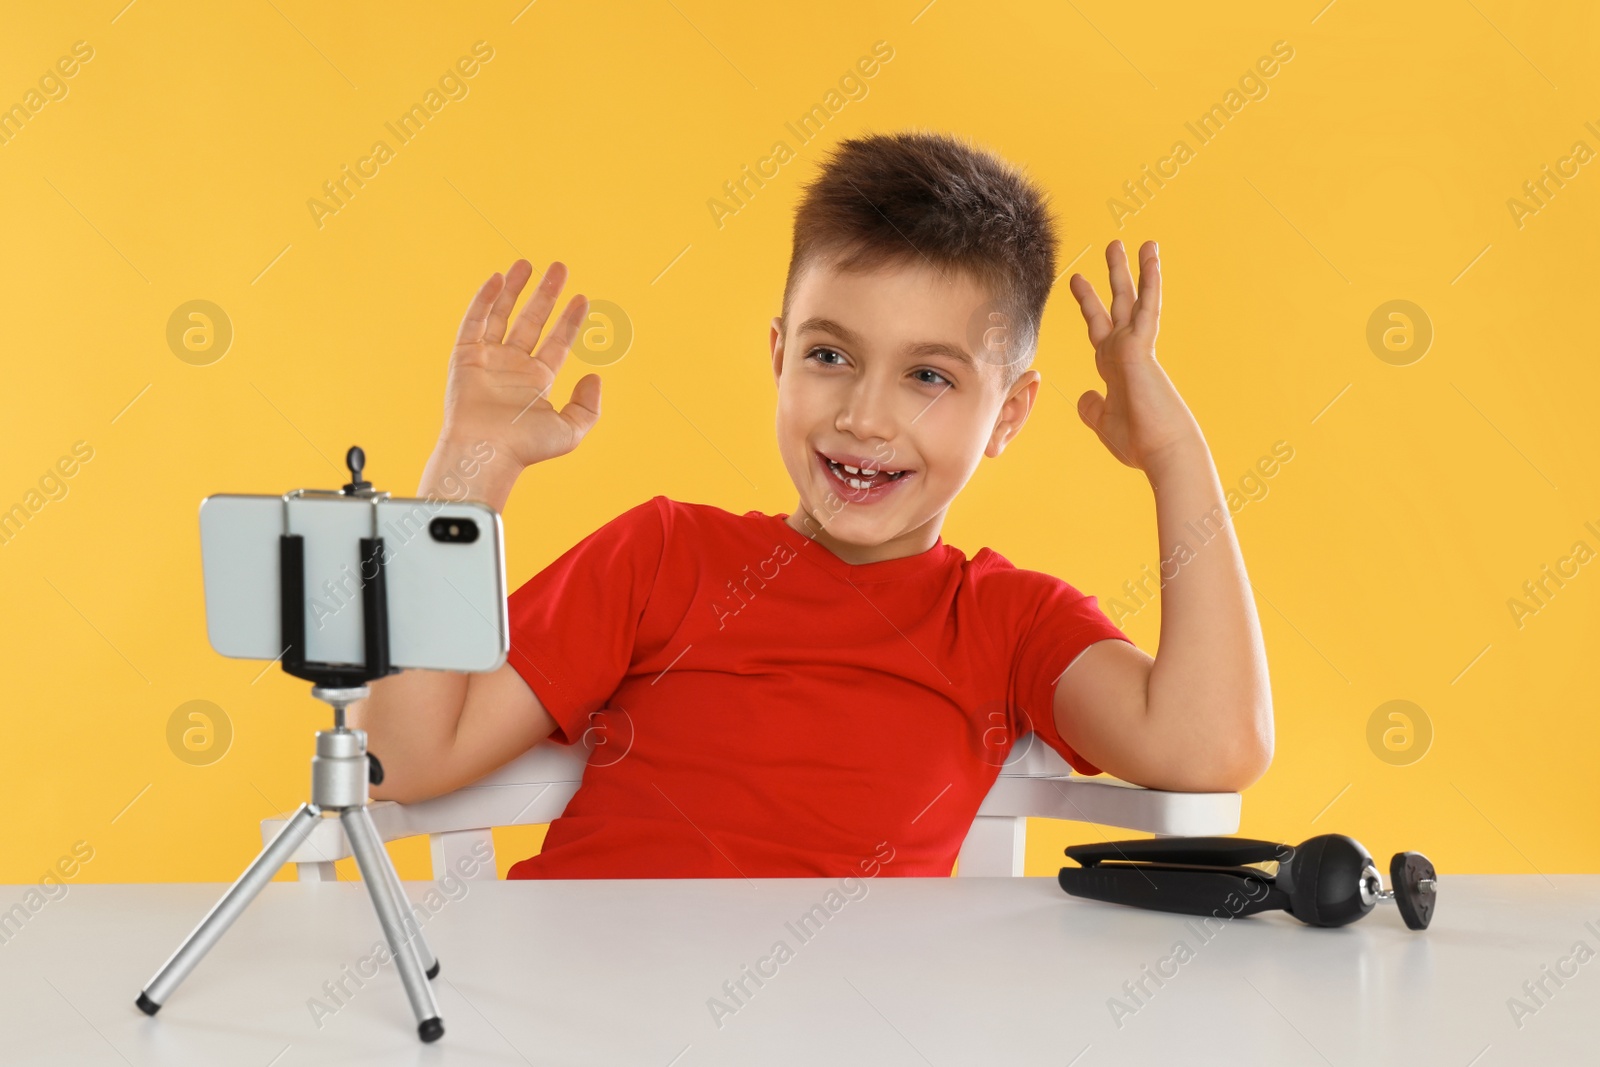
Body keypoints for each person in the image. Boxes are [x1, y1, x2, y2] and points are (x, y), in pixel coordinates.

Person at [350, 130, 1274, 879]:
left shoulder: (1006, 622)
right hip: (572, 1003)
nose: (864, 415)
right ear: (779, 356)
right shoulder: (663, 554)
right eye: (830, 356)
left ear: (1010, 415)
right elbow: (403, 757)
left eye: (928, 376)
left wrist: (1174, 456)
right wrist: (473, 463)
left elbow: (1211, 745)